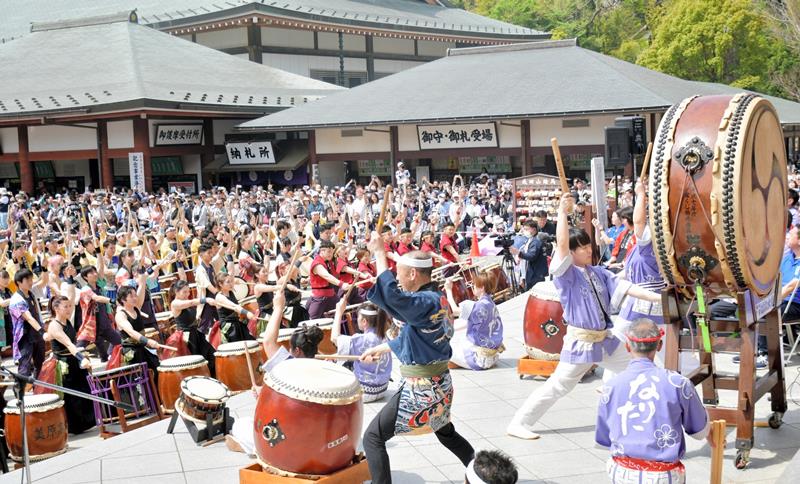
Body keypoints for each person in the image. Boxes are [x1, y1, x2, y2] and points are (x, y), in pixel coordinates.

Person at [506, 194, 661, 440]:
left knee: (642, 370)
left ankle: (652, 417)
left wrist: (660, 298)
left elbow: (628, 288)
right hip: (581, 342)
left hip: (605, 340)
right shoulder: (566, 276)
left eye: (589, 246)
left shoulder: (597, 272)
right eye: (583, 248)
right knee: (558, 386)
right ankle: (519, 422)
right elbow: (562, 244)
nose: (589, 250)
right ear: (572, 253)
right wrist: (562, 212)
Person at [360, 239, 475, 483]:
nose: (397, 279)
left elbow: (393, 299)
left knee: (372, 437)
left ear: (413, 273)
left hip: (422, 388)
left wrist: (380, 254)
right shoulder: (437, 299)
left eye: (399, 274)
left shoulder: (425, 302)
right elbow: (417, 334)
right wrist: (382, 348)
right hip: (440, 385)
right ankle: (479, 472)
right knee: (446, 434)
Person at [596, 319, 716, 483]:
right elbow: (699, 431)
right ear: (659, 345)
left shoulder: (611, 386)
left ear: (627, 346)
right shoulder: (678, 383)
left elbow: (604, 438)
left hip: (621, 471)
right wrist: (708, 429)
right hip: (663, 475)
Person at [226, 288, 324, 456]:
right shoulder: (323, 367)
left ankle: (253, 448)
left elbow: (268, 341)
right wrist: (263, 391)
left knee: (241, 425)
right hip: (316, 432)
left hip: (290, 435)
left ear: (297, 350)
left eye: (290, 348)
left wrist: (278, 307)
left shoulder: (288, 366)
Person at [47, 295, 96, 435]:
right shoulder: (54, 326)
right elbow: (68, 344)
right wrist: (82, 358)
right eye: (65, 307)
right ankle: (75, 426)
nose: (69, 309)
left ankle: (88, 421)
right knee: (71, 396)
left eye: (70, 306)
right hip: (64, 364)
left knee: (85, 389)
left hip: (74, 360)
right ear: (56, 308)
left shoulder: (67, 320)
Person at [331, 298, 392, 401]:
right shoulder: (384, 334)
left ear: (364, 321)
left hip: (365, 391)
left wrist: (338, 313)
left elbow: (334, 338)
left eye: (358, 317)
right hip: (382, 388)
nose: (357, 320)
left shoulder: (365, 339)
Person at [444, 273, 504, 370]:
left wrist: (448, 290)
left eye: (474, 285)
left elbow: (455, 311)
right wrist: (453, 329)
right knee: (458, 342)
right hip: (491, 356)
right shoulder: (490, 303)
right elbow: (474, 323)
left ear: (482, 288)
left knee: (444, 351)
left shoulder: (479, 306)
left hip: (479, 359)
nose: (473, 287)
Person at [114, 283, 161, 383]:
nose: (135, 298)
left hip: (141, 347)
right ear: (123, 299)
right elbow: (131, 332)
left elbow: (141, 292)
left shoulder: (136, 309)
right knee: (138, 378)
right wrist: (147, 341)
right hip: (130, 351)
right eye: (131, 296)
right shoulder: (120, 315)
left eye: (135, 295)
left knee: (156, 368)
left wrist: (142, 280)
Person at [169, 280, 218, 375]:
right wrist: (206, 299)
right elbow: (192, 302)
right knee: (196, 363)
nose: (187, 294)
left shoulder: (185, 301)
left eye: (188, 291)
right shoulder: (175, 303)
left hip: (196, 334)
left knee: (212, 356)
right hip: (187, 338)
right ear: (176, 292)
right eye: (184, 292)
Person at [9, 269, 48, 378]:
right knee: (25, 367)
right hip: (24, 337)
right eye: (27, 280)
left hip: (36, 334)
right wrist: (42, 331)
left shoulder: (31, 294)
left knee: (40, 364)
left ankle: (38, 386)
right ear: (19, 282)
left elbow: (37, 313)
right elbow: (29, 318)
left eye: (31, 279)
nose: (31, 282)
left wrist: (44, 268)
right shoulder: (16, 299)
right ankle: (20, 388)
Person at [306, 240, 350, 319]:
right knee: (312, 320)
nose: (331, 254)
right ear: (322, 251)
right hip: (320, 297)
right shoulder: (317, 263)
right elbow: (326, 276)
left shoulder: (328, 262)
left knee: (344, 310)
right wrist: (341, 284)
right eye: (329, 252)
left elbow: (334, 275)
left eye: (332, 252)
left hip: (331, 295)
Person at [214, 273, 257, 344]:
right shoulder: (219, 297)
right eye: (228, 282)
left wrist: (235, 281)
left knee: (251, 341)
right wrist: (247, 313)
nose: (231, 284)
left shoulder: (230, 292)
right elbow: (235, 306)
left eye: (231, 281)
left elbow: (234, 281)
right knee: (239, 345)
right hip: (228, 326)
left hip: (236, 322)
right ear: (220, 284)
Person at [512, 220, 548, 290]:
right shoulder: (530, 240)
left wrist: (518, 253)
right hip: (530, 273)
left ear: (534, 229)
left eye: (527, 229)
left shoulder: (536, 241)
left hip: (536, 274)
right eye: (524, 229)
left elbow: (532, 256)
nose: (524, 231)